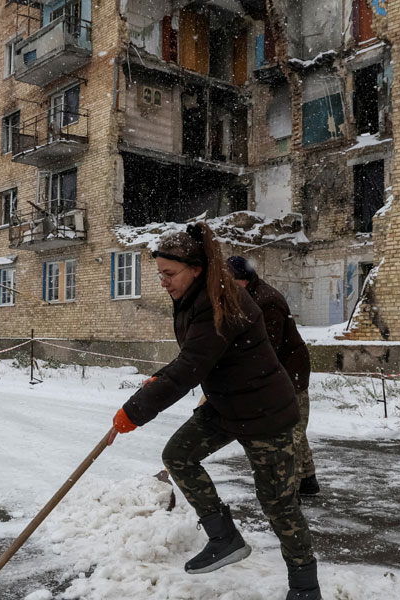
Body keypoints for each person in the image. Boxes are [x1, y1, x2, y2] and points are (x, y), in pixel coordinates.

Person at [112, 223, 321, 600]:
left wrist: (135, 410)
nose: (163, 282)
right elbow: (192, 357)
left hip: (265, 412)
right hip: (227, 404)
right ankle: (223, 536)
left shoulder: (220, 303)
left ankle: (305, 588)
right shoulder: (198, 295)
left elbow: (191, 367)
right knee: (179, 455)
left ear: (195, 268)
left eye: (169, 274)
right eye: (160, 273)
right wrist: (156, 380)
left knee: (278, 506)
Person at [227, 256, 319, 497]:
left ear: (243, 280)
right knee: (295, 429)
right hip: (277, 372)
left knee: (290, 434)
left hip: (289, 375)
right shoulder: (248, 296)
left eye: (230, 282)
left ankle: (290, 493)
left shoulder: (267, 302)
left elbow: (265, 348)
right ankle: (308, 479)